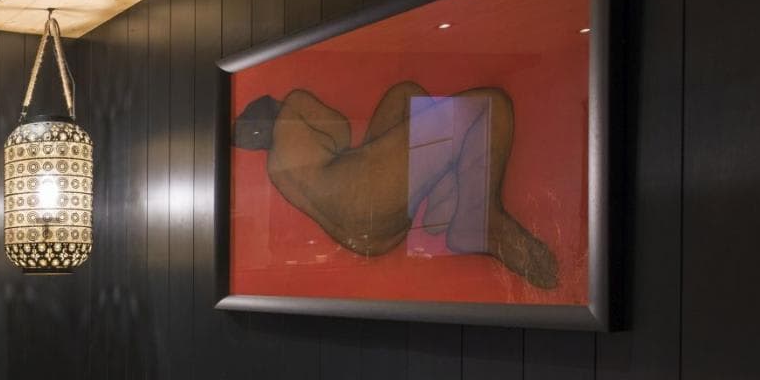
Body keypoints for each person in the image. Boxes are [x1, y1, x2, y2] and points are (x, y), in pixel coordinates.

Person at [233, 81, 558, 288]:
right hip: (367, 194)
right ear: (273, 106)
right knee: (488, 105)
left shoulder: (276, 168)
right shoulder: (293, 104)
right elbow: (341, 132)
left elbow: (336, 150)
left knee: (405, 95)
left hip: (368, 237)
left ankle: (441, 205)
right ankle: (478, 216)